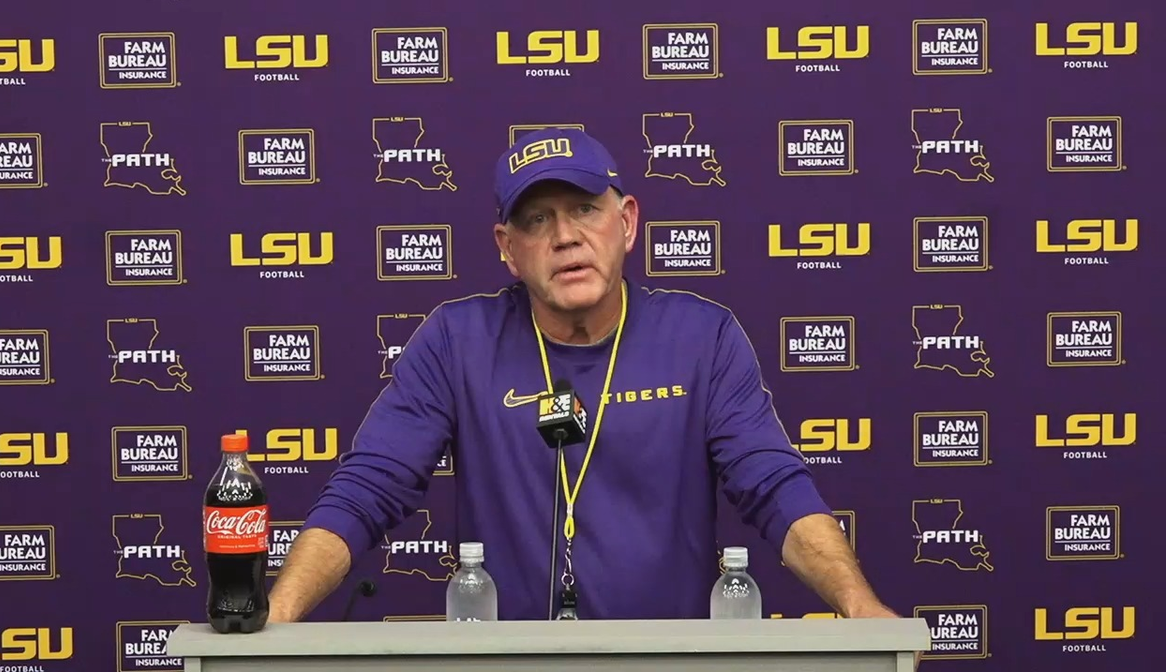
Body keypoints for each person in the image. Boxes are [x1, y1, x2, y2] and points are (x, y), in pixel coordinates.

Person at [267, 127, 902, 624]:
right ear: (505, 248)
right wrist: (280, 610)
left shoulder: (702, 337)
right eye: (536, 220)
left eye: (583, 209)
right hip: (507, 661)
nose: (566, 237)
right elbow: (368, 488)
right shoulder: (457, 340)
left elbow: (773, 486)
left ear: (626, 221)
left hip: (667, 660)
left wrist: (857, 602)